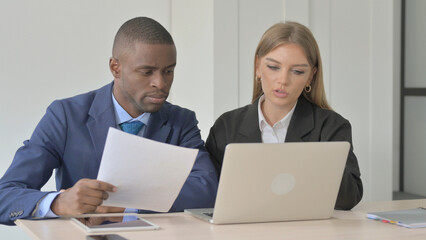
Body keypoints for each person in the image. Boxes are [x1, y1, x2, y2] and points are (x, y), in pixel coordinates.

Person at [0, 17, 218, 225]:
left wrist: (129, 206)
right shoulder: (65, 116)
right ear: (116, 67)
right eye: (147, 72)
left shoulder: (182, 121)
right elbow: (6, 195)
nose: (160, 83)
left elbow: (207, 190)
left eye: (168, 71)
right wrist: (57, 202)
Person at [205, 21, 362, 210]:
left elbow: (350, 197)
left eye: (297, 71)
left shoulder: (331, 126)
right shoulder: (227, 126)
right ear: (257, 67)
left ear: (310, 76)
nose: (283, 80)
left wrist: (308, 160)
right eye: (273, 67)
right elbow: (209, 194)